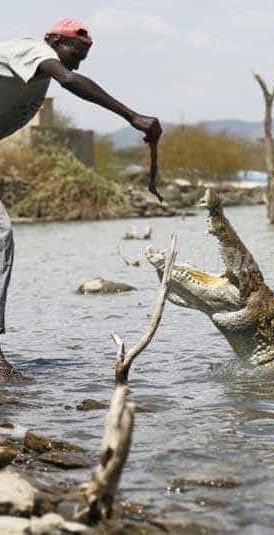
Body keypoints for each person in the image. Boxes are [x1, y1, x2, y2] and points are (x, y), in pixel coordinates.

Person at [0, 18, 162, 380]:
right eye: (76, 52)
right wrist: (132, 116)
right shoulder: (33, 50)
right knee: (1, 236)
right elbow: (70, 81)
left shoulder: (36, 77)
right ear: (56, 40)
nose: (78, 64)